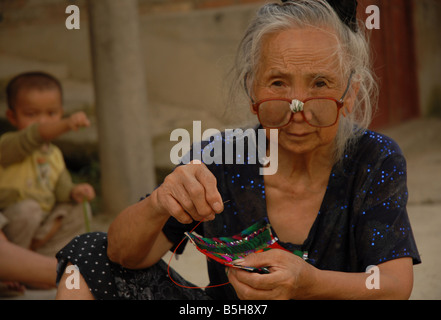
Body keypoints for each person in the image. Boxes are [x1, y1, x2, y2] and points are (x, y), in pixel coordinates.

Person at [55, 0, 420, 300]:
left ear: (350, 93)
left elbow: (392, 284)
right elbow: (124, 255)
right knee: (90, 253)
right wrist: (158, 201)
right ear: (252, 90)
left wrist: (309, 283)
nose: (298, 109)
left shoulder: (374, 158)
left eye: (320, 83)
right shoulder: (221, 158)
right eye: (278, 82)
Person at [0, 71, 95, 259]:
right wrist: (66, 124)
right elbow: (35, 134)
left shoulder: (55, 154)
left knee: (78, 209)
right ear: (12, 117)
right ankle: (13, 265)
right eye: (31, 114)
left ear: (60, 112)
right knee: (29, 209)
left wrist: (74, 191)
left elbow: (62, 188)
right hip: (13, 223)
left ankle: (46, 261)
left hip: (43, 224)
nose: (43, 121)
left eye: (51, 114)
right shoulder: (9, 144)